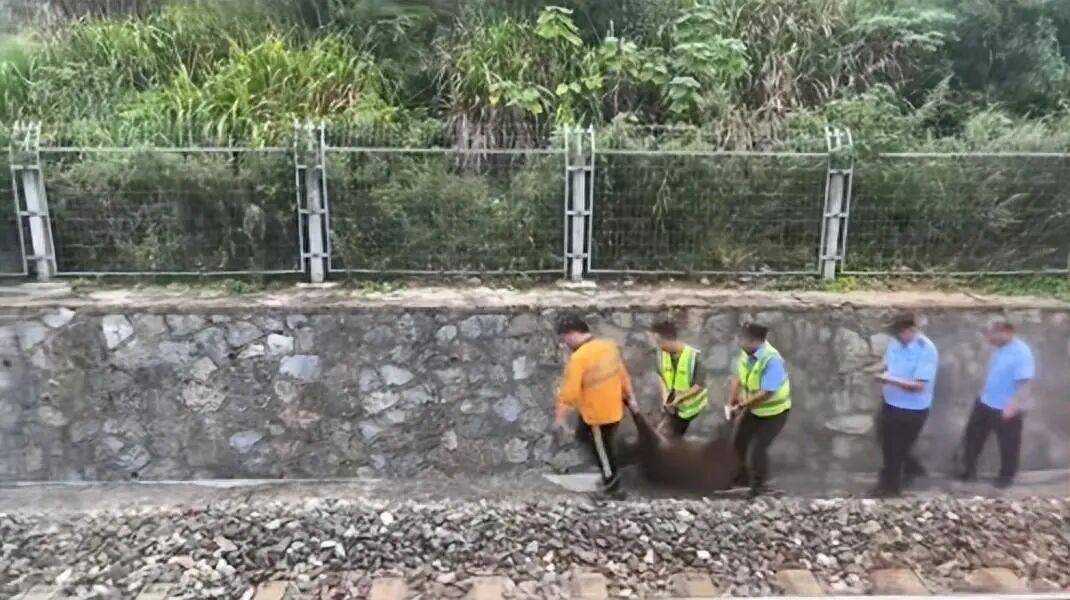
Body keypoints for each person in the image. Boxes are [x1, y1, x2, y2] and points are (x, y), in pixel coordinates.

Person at [553, 315, 637, 494]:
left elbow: (569, 393)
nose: (565, 343)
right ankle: (609, 471)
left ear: (571, 334)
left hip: (597, 416)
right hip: (613, 410)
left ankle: (613, 488)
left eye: (564, 338)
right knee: (586, 437)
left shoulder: (579, 359)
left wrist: (560, 418)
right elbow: (622, 374)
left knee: (602, 450)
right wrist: (630, 397)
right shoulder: (608, 347)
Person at [959, 321, 1035, 488]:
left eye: (991, 333)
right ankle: (968, 470)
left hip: (1007, 407)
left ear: (1005, 332)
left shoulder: (1021, 352)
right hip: (985, 401)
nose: (988, 337)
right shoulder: (997, 349)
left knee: (1008, 445)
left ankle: (1006, 477)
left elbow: (1024, 383)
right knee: (972, 438)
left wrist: (1013, 405)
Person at [873, 313, 939, 497]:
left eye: (900, 332)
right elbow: (888, 363)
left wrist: (888, 379)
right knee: (886, 442)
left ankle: (890, 489)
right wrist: (879, 370)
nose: (896, 337)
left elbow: (918, 386)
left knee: (894, 451)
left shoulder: (926, 350)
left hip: (912, 410)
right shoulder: (896, 344)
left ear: (911, 330)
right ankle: (912, 469)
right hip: (890, 403)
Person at [728, 322, 791, 497]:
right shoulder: (746, 353)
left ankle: (760, 486)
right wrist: (732, 399)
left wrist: (742, 405)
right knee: (738, 442)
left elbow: (767, 392)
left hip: (774, 413)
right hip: (754, 409)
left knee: (758, 449)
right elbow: (737, 377)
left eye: (743, 340)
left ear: (754, 341)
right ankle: (741, 480)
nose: (740, 343)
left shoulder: (772, 360)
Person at [651, 320, 709, 437]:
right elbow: (661, 376)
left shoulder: (695, 357)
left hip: (693, 412)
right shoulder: (661, 355)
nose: (656, 345)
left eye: (657, 342)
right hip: (673, 408)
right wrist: (665, 398)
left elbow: (698, 385)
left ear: (667, 339)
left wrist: (679, 398)